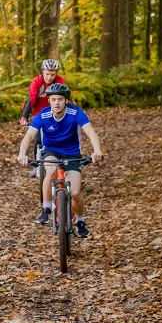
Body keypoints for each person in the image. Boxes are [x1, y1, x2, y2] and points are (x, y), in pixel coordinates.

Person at [15, 82, 105, 238]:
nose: (57, 103)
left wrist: (97, 150)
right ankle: (46, 208)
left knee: (75, 192)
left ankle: (80, 221)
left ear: (66, 100)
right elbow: (29, 136)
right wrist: (22, 153)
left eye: (60, 99)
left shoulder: (76, 113)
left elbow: (90, 132)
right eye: (53, 99)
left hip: (72, 153)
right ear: (49, 101)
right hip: (51, 151)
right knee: (50, 171)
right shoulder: (43, 115)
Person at [19, 58, 67, 126]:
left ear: (56, 74)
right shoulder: (36, 82)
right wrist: (24, 117)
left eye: (52, 75)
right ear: (42, 72)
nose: (49, 78)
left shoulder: (59, 81)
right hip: (39, 114)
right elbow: (31, 99)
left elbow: (64, 98)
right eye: (47, 74)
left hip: (55, 114)